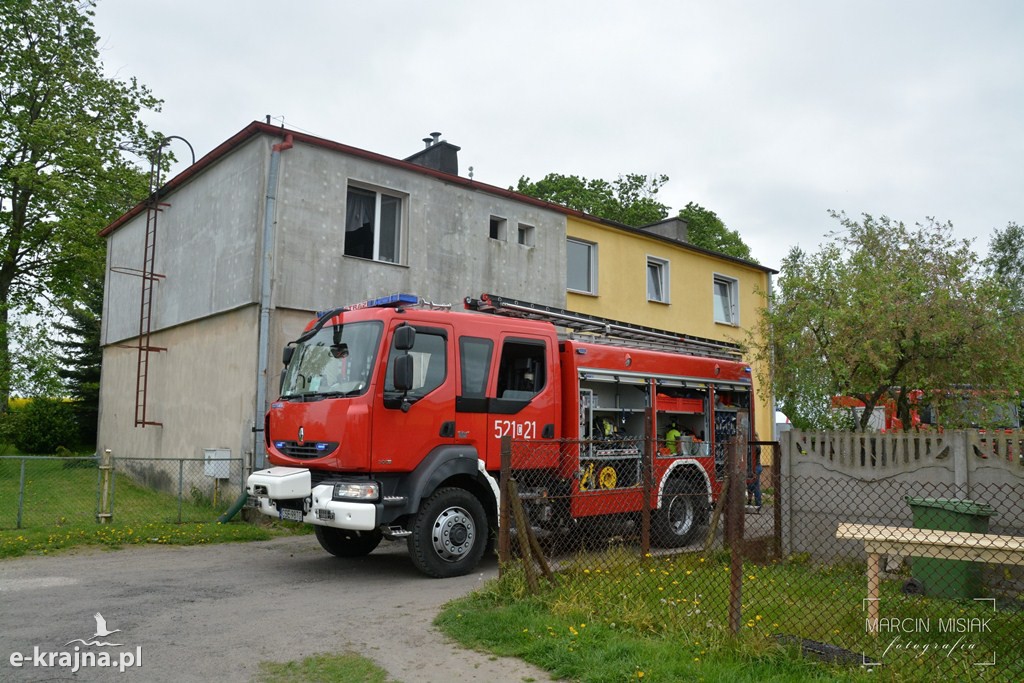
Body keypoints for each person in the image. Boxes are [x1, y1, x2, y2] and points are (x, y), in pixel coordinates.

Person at [746, 432, 762, 510]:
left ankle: (758, 505)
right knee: (751, 485)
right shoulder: (756, 445)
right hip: (754, 467)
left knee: (755, 487)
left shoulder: (755, 446)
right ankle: (750, 501)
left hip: (755, 467)